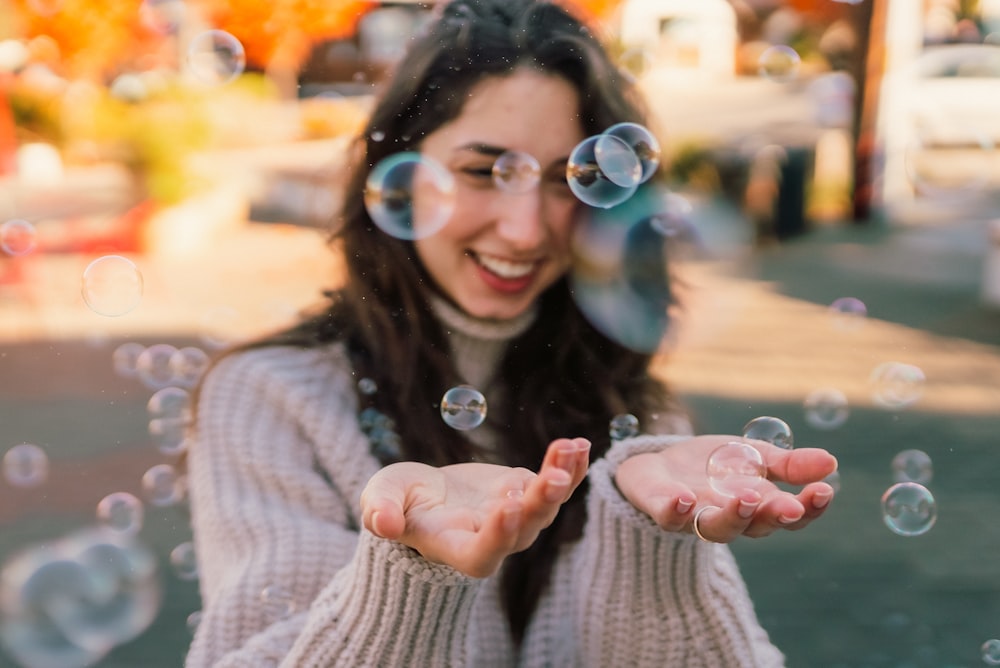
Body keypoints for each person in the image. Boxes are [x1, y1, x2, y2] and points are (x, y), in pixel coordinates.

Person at [184, 0, 838, 666]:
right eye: (481, 171)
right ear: (398, 174)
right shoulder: (268, 398)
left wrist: (652, 547)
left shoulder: (635, 416)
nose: (526, 230)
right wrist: (406, 578)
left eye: (568, 180)